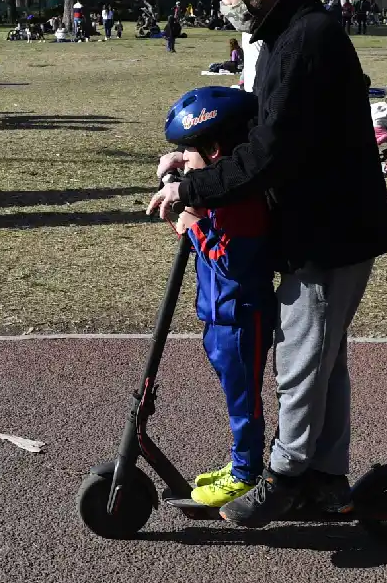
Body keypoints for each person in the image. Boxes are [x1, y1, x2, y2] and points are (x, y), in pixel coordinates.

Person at [148, 0, 387, 527]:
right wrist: (197, 156)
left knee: (301, 358)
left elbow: (269, 154)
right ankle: (326, 479)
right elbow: (261, 127)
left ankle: (285, 479)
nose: (225, 0)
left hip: (330, 232)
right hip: (324, 226)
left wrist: (191, 190)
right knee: (323, 358)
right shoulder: (288, 35)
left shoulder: (305, 39)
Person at [162, 87, 274, 507]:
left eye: (190, 151)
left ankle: (246, 472)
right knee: (235, 394)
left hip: (241, 315)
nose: (185, 160)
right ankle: (241, 462)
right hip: (219, 314)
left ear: (213, 151)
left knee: (244, 401)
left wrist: (192, 224)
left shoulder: (240, 202)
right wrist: (179, 178)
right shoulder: (217, 189)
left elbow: (229, 260)